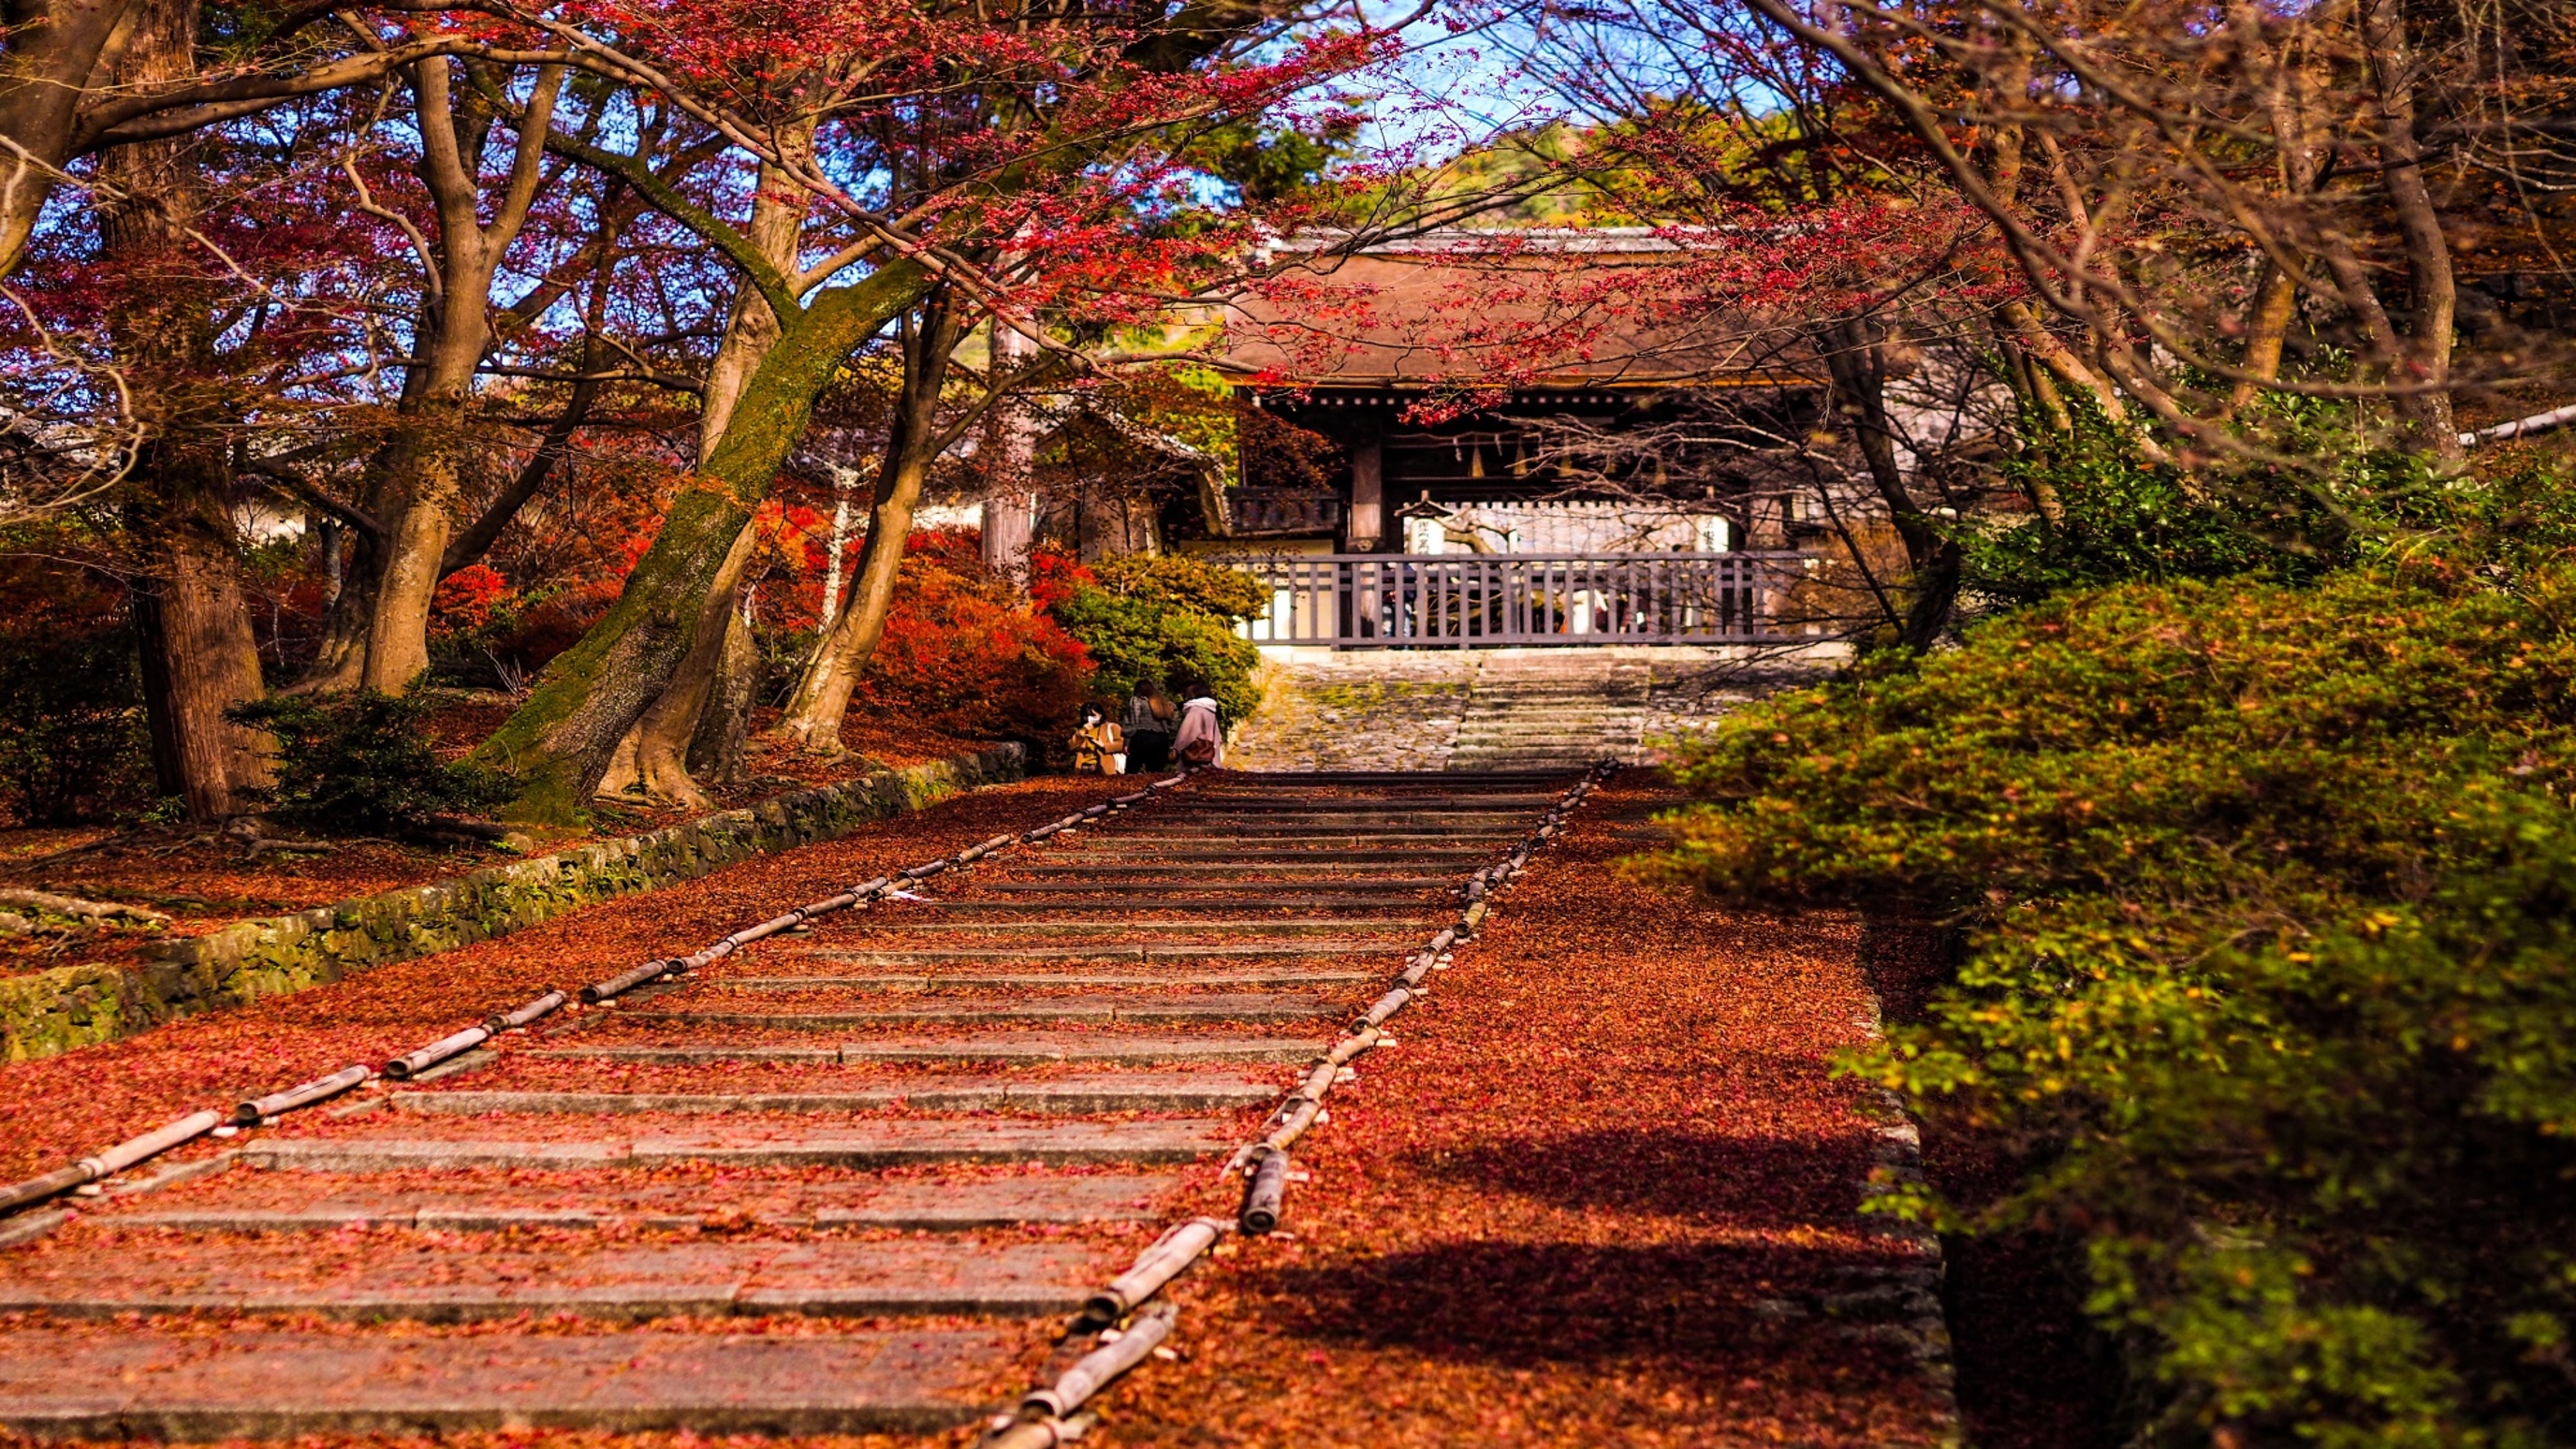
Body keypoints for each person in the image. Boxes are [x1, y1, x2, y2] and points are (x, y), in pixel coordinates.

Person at [1123, 679, 1178, 772]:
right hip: (1162, 739)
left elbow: (1132, 722)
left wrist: (1127, 742)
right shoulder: (1166, 704)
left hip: (1142, 737)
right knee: (1156, 773)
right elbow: (1173, 726)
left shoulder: (1137, 701)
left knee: (1132, 770)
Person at [1172, 681, 1223, 768]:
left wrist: (1177, 748)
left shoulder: (1196, 709)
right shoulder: (1210, 709)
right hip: (1209, 754)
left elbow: (1187, 733)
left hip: (1195, 754)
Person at [1070, 702, 1125, 774]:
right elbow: (1070, 746)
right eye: (1086, 716)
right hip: (1084, 768)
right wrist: (1083, 730)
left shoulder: (1112, 727)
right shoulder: (1082, 730)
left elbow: (1123, 745)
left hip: (1103, 768)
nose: (1089, 718)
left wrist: (1104, 746)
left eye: (1093, 715)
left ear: (1100, 714)